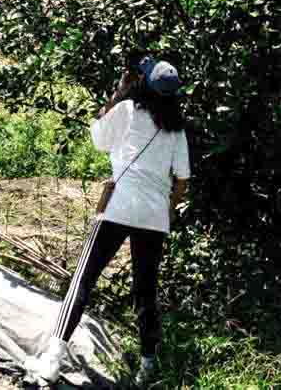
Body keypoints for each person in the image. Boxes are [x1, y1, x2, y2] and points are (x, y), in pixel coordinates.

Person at [24, 56, 190, 387]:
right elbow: (182, 181)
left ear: (142, 83)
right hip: (154, 215)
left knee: (83, 280)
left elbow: (99, 140)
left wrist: (118, 92)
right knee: (145, 291)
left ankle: (53, 359)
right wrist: (167, 208)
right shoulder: (176, 130)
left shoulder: (127, 110)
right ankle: (147, 367)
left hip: (119, 207)